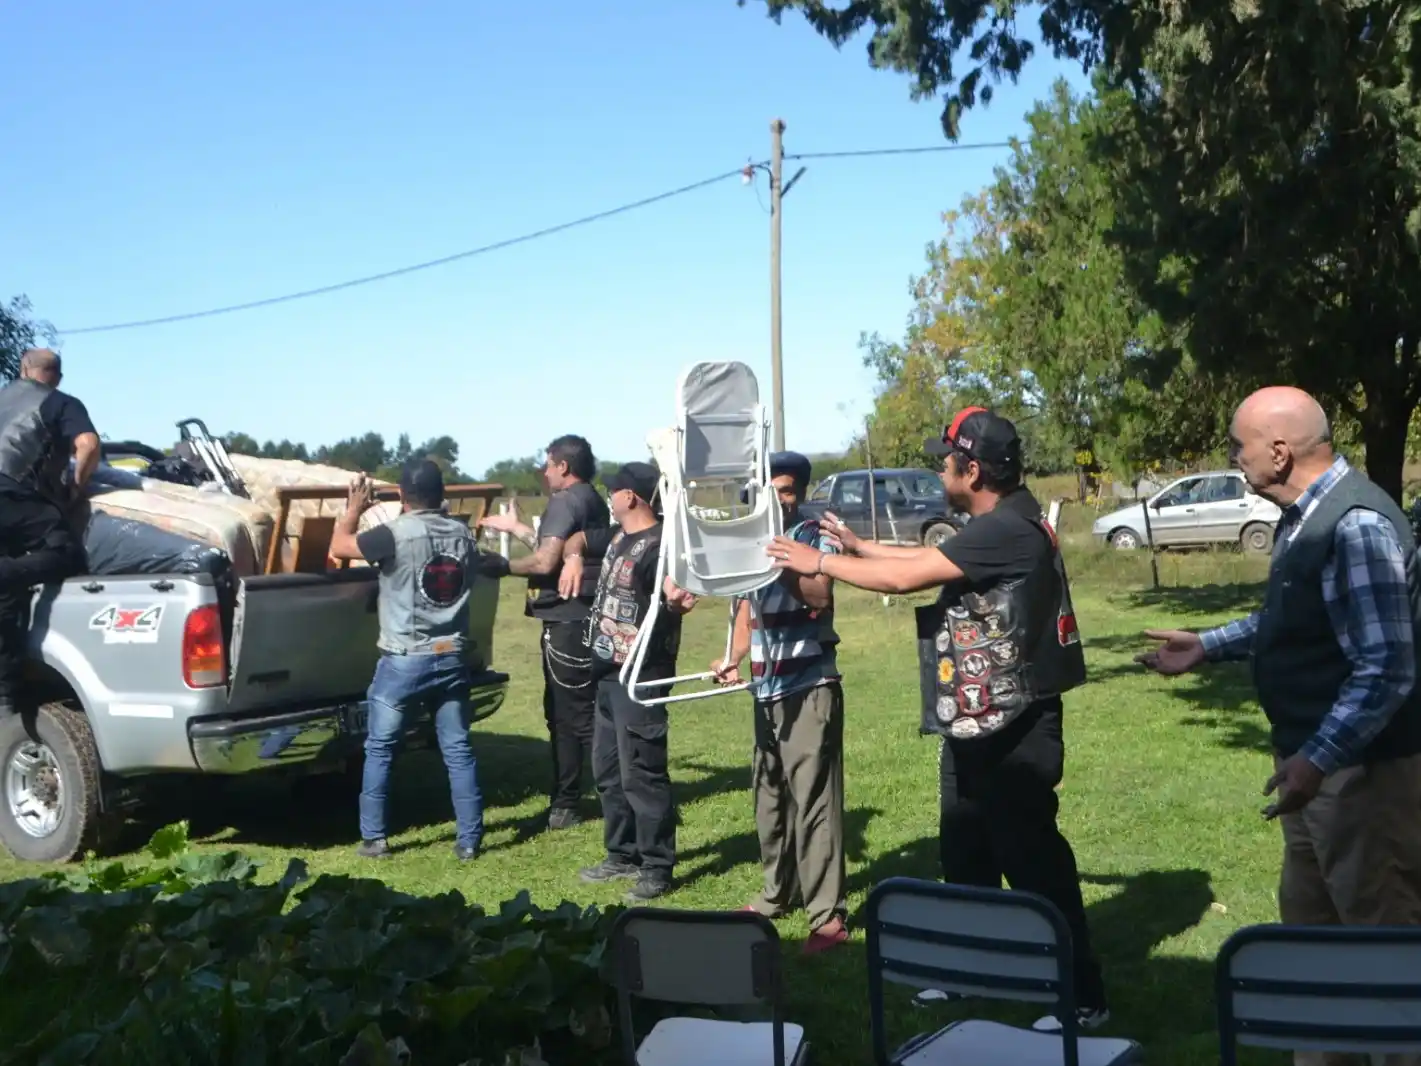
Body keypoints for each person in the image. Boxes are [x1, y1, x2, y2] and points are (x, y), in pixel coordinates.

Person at [770, 407, 1108, 1031]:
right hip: (978, 718)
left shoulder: (1007, 528)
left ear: (971, 470)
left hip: (1016, 725)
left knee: (1033, 859)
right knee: (966, 851)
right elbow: (931, 556)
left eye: (946, 460)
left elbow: (906, 578)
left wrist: (818, 561)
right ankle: (966, 971)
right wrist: (860, 547)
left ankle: (1080, 994)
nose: (940, 469)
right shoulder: (998, 522)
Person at [1139, 387, 1421, 1066]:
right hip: (1314, 771)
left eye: (1237, 445)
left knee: (1382, 950)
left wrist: (1317, 758)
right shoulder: (1307, 516)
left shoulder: (1355, 524)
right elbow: (1296, 619)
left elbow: (1387, 666)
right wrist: (1209, 645)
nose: (1232, 457)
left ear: (1278, 451)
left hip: (1363, 777)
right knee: (1312, 941)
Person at [330, 459, 509, 862]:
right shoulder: (463, 534)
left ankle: (375, 839)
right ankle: (469, 839)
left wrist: (354, 508)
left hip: (405, 659)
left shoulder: (393, 534)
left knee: (380, 748)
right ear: (442, 494)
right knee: (458, 749)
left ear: (401, 495)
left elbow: (339, 547)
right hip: (452, 656)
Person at [709, 451, 849, 955]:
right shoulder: (751, 536)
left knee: (814, 805)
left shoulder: (814, 533)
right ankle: (776, 894)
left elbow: (820, 594)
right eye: (767, 490)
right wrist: (733, 657)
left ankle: (827, 919)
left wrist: (778, 556)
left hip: (808, 686)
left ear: (800, 492)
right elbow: (746, 606)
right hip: (765, 689)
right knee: (769, 800)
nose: (776, 500)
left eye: (785, 490)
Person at [557, 462, 697, 902]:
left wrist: (675, 603)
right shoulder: (618, 536)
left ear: (630, 496)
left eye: (612, 491)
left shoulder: (662, 547)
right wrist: (574, 555)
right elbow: (579, 538)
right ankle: (622, 853)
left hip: (641, 675)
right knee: (609, 771)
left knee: (642, 773)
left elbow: (676, 596)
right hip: (605, 673)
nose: (608, 497)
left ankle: (657, 866)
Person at [479, 435, 610, 831]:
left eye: (548, 464)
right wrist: (517, 527)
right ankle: (584, 797)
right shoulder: (591, 498)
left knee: (572, 716)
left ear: (563, 467)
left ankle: (583, 801)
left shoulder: (564, 500)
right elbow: (554, 549)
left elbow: (544, 561)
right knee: (576, 710)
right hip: (586, 614)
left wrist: (499, 565)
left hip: (567, 619)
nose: (545, 471)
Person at [0, 348, 100, 716]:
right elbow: (88, 444)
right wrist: (75, 487)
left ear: (22, 369)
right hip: (11, 493)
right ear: (57, 376)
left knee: (6, 595)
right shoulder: (59, 402)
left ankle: (5, 697)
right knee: (67, 553)